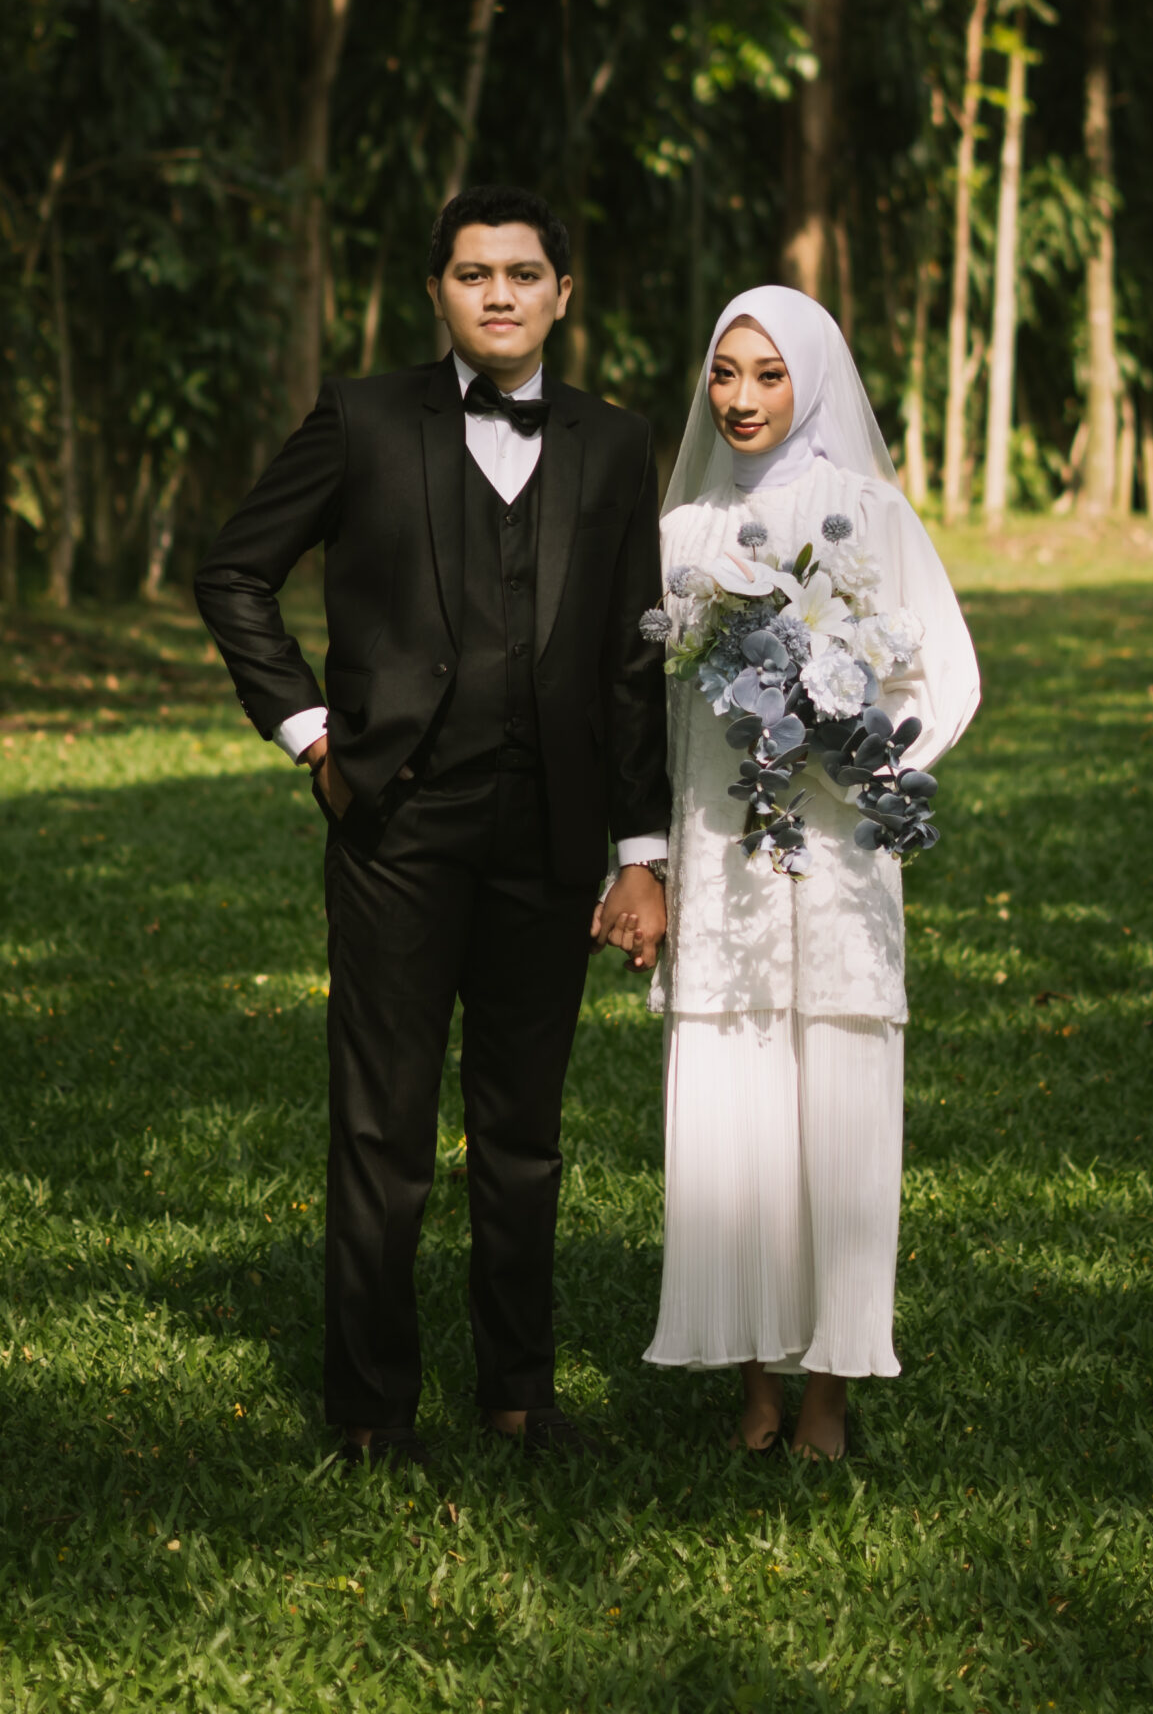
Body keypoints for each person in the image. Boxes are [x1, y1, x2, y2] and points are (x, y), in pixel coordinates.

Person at [194, 186, 670, 1472]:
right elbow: (233, 571)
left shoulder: (617, 443)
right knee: (383, 1124)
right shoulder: (362, 417)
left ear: (562, 294)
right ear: (436, 292)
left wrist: (640, 853)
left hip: (552, 830)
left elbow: (633, 663)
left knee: (523, 1130)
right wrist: (314, 736)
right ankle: (372, 1408)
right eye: (473, 273)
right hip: (396, 823)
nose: (498, 293)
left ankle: (519, 1394)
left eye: (523, 273)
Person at [641, 285, 980, 1460]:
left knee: (836, 1109)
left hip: (835, 861)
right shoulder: (683, 534)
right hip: (723, 853)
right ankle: (752, 1385)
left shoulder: (870, 513)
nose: (741, 397)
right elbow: (656, 715)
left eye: (769, 374)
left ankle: (829, 1393)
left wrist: (853, 756)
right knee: (731, 1118)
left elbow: (944, 674)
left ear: (814, 378)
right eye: (724, 372)